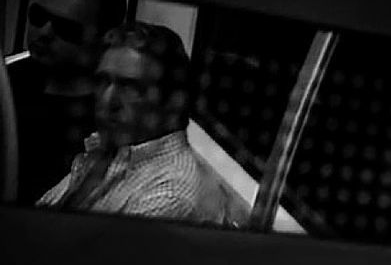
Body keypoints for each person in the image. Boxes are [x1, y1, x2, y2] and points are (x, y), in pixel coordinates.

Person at [36, 21, 239, 225]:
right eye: (103, 82)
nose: (108, 100)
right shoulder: (107, 150)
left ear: (170, 101)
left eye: (129, 87)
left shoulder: (172, 192)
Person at [9, 0, 127, 205]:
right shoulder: (10, 78)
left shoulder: (105, 124)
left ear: (105, 39)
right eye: (38, 16)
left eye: (66, 28)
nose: (43, 32)